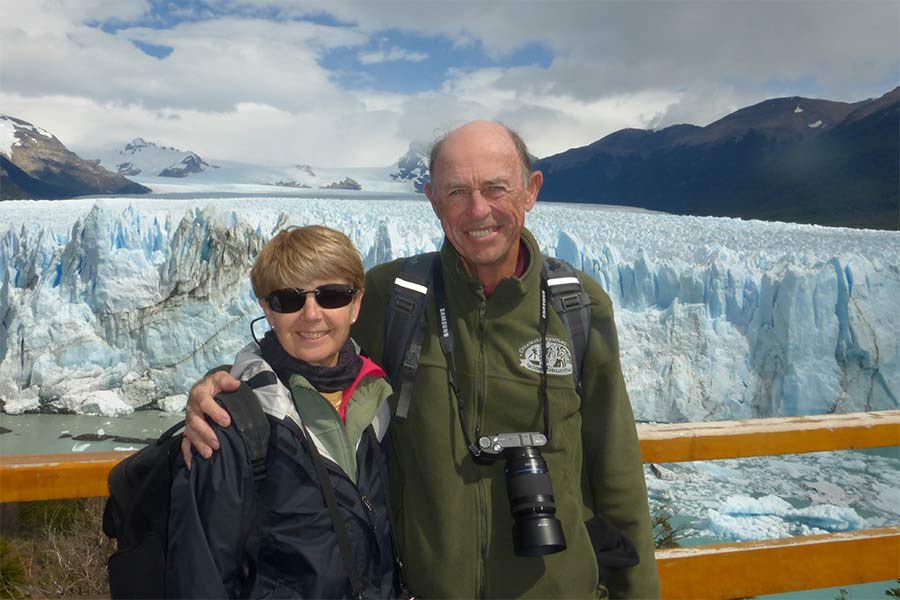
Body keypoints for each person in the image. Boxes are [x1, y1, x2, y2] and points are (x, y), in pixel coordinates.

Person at [184, 121, 661, 599]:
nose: (478, 210)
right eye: (456, 192)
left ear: (530, 191)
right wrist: (219, 389)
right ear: (433, 200)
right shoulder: (395, 298)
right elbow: (302, 340)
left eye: (496, 187)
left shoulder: (576, 308)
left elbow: (617, 474)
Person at [167, 225, 397, 598]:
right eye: (288, 300)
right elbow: (201, 576)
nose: (311, 314)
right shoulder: (232, 424)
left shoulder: (380, 398)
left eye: (332, 295)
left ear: (355, 305)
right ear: (267, 310)